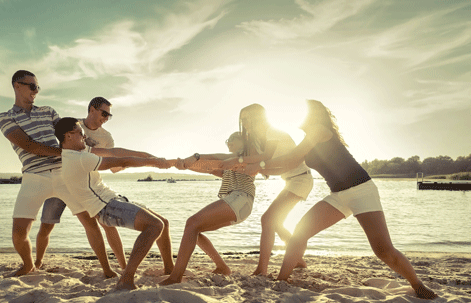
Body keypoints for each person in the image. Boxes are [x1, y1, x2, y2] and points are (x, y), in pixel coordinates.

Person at [241, 100, 437, 299]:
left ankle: (417, 285)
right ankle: (281, 280)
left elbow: (292, 156)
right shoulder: (308, 139)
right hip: (338, 195)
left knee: (383, 250)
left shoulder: (319, 129)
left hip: (362, 190)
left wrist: (259, 165)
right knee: (300, 234)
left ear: (312, 115)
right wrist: (260, 168)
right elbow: (288, 163)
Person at [0, 70, 124, 278]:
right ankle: (28, 265)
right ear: (17, 86)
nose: (35, 91)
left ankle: (107, 269)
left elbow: (71, 132)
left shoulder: (48, 111)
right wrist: (67, 151)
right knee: (19, 233)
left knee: (90, 223)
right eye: (31, 86)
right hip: (33, 175)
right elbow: (28, 145)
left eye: (37, 87)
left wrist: (88, 144)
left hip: (63, 172)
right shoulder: (6, 117)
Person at [55, 117, 175, 290]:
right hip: (106, 208)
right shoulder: (77, 159)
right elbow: (121, 161)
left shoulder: (79, 153)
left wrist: (150, 156)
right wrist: (154, 163)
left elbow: (116, 152)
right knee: (155, 226)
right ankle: (126, 278)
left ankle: (170, 270)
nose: (85, 137)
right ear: (69, 136)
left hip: (113, 200)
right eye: (81, 134)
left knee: (163, 223)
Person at [219, 104, 313, 276]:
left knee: (267, 219)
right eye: (243, 119)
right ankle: (297, 257)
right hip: (292, 180)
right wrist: (256, 169)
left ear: (259, 117)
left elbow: (266, 158)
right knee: (273, 221)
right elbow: (274, 167)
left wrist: (238, 161)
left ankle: (262, 269)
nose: (245, 122)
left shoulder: (273, 133)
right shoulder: (262, 139)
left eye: (248, 118)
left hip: (300, 179)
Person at [37, 96, 126, 270]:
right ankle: (37, 263)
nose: (106, 118)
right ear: (92, 109)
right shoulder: (73, 125)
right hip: (60, 180)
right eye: (104, 113)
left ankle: (122, 267)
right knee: (47, 224)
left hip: (86, 187)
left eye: (109, 115)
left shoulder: (106, 137)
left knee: (104, 224)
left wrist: (124, 163)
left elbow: (113, 166)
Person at [159, 132, 256, 285]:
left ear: (244, 141)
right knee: (194, 230)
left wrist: (195, 156)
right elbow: (210, 168)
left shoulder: (242, 157)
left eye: (232, 139)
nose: (228, 143)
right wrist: (186, 166)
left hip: (240, 198)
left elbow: (215, 158)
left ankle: (175, 277)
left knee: (192, 223)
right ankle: (222, 267)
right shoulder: (231, 165)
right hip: (239, 203)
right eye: (227, 140)